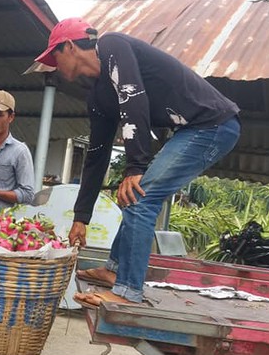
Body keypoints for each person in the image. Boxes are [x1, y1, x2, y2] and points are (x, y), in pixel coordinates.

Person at [34, 18, 240, 307]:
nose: (53, 64)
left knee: (141, 198)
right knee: (134, 198)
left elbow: (134, 100)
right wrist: (81, 216)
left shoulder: (112, 46)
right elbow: (96, 156)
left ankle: (128, 292)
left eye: (54, 55)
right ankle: (114, 270)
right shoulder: (97, 96)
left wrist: (136, 167)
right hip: (193, 130)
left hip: (213, 125)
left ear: (69, 46)